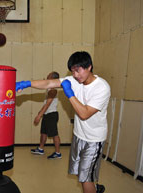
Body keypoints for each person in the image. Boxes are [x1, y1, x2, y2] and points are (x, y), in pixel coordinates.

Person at [16, 51, 110, 193]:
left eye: (78, 70)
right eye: (73, 71)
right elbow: (49, 82)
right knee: (81, 173)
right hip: (79, 136)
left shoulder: (101, 87)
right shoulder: (75, 80)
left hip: (93, 140)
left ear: (89, 67)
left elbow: (84, 114)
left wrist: (70, 94)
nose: (75, 75)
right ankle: (95, 188)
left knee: (85, 179)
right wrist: (27, 83)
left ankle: (93, 187)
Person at [31, 71, 62, 159]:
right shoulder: (49, 88)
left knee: (54, 134)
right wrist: (41, 113)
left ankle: (57, 153)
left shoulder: (53, 90)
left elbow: (48, 104)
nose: (47, 75)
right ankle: (41, 149)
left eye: (49, 75)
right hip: (47, 113)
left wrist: (39, 115)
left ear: (52, 78)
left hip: (52, 114)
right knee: (43, 132)